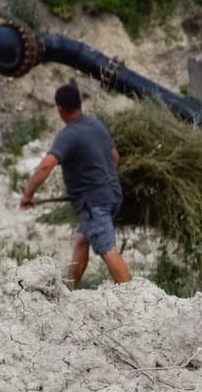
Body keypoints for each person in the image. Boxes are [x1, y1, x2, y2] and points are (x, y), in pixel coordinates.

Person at [20, 82, 131, 286]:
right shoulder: (97, 125)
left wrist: (28, 195)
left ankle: (135, 299)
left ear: (60, 110)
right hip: (113, 194)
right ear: (80, 104)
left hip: (93, 203)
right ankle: (70, 289)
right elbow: (115, 157)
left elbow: (45, 166)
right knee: (82, 240)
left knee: (108, 250)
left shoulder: (68, 135)